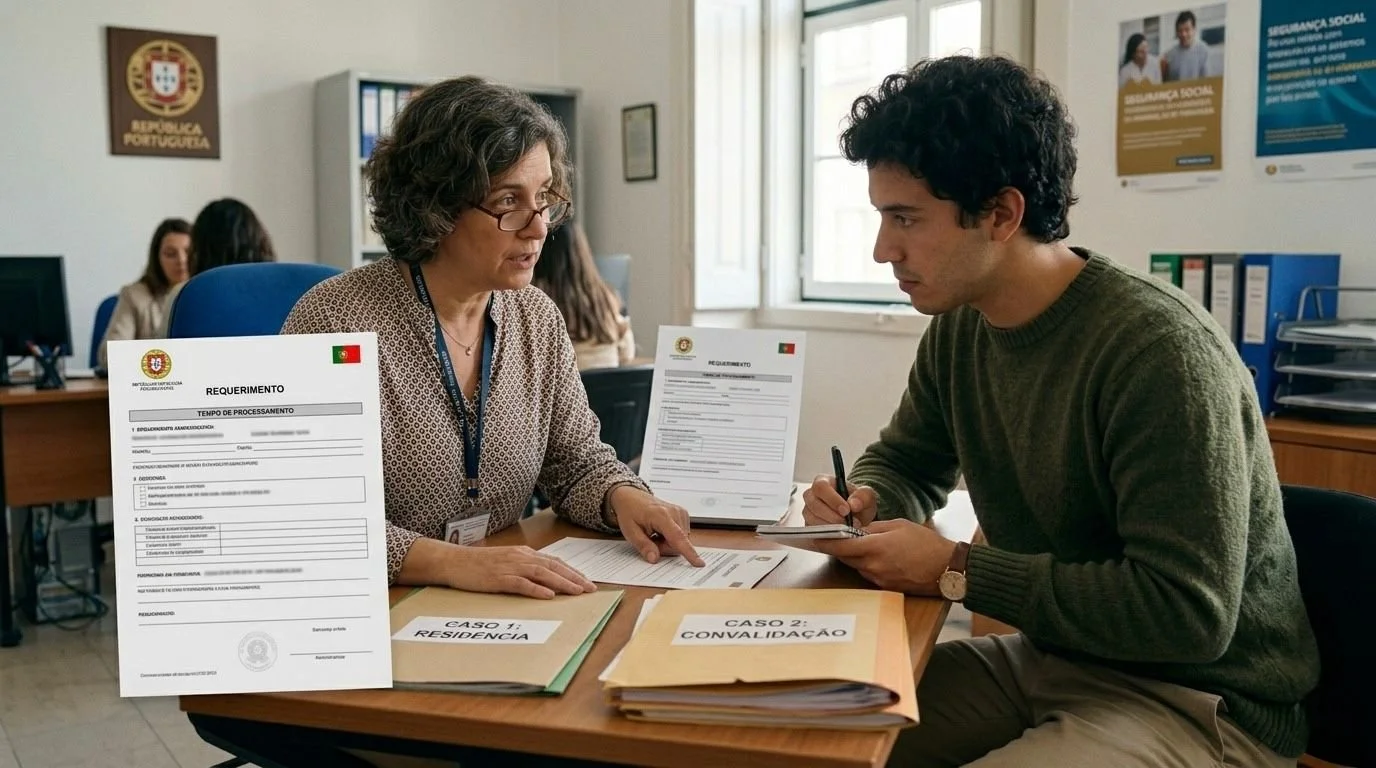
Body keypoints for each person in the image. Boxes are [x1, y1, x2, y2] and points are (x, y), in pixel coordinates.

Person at [800, 55, 1318, 767]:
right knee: (796, 729)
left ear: (1002, 214)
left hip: (1200, 704)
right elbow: (907, 459)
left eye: (905, 218)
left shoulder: (1160, 352)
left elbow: (1186, 614)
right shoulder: (962, 326)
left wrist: (957, 569)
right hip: (1053, 661)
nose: (883, 248)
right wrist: (867, 496)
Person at [282, 75, 703, 602]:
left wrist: (623, 496)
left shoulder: (536, 317)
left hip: (496, 598)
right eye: (509, 200)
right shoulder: (334, 322)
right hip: (365, 608)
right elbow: (309, 520)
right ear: (435, 208)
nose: (538, 227)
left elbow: (575, 461)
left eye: (544, 197)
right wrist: (456, 564)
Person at [158, 197, 277, 334]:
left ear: (200, 248)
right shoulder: (285, 293)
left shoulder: (184, 296)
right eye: (171, 253)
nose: (181, 260)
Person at [532, 222, 636, 369]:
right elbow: (627, 355)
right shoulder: (607, 298)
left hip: (565, 390)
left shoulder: (535, 302)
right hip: (607, 389)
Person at [97, 217, 190, 369]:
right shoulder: (134, 295)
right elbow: (110, 356)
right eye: (171, 254)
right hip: (150, 385)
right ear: (157, 258)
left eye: (188, 251)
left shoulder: (206, 295)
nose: (181, 260)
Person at [1161, 10, 1213, 82]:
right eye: (1180, 30)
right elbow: (1166, 83)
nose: (1183, 34)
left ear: (1194, 30)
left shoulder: (1203, 50)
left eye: (1187, 30)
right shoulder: (1170, 54)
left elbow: (1207, 81)